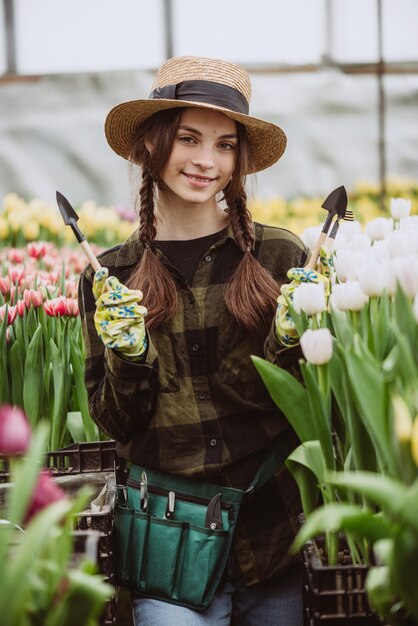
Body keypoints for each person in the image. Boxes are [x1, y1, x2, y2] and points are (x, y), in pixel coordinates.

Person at [78, 55, 322, 626]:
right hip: (172, 544)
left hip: (274, 535)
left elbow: (311, 407)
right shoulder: (111, 277)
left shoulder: (279, 258)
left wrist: (289, 343)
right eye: (189, 138)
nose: (207, 161)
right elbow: (116, 423)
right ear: (150, 144)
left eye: (226, 145)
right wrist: (130, 356)